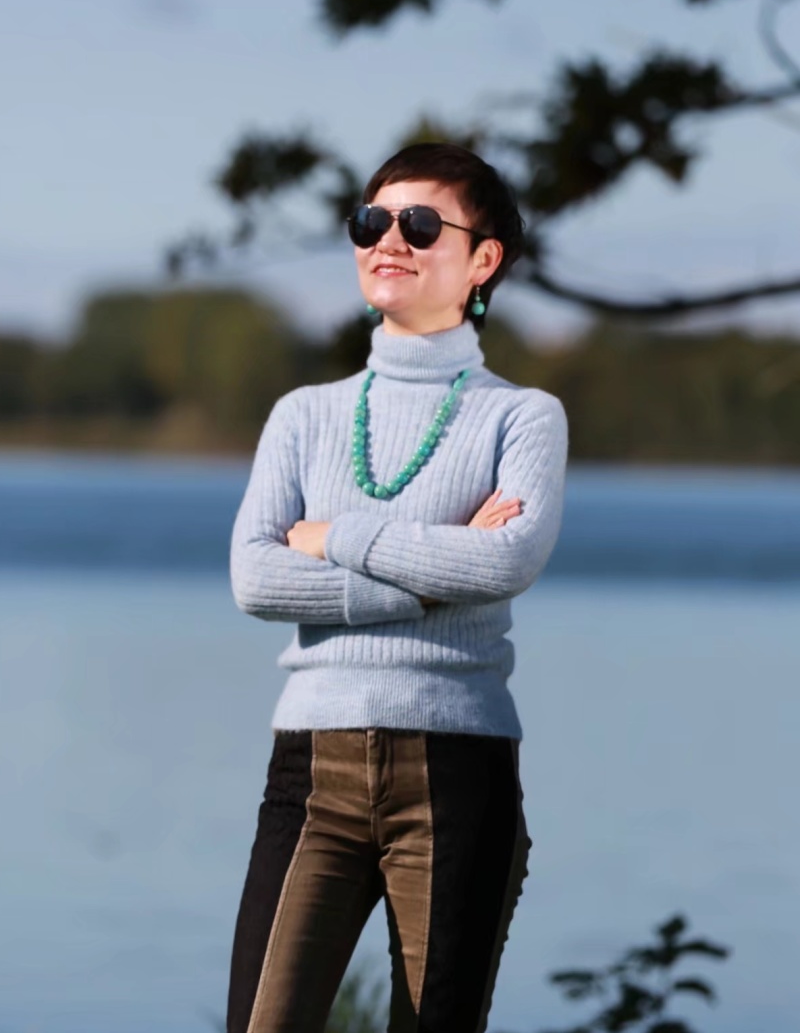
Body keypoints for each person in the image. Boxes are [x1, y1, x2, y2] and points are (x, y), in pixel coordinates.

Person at [225, 142, 569, 1033]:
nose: (388, 240)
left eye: (419, 224)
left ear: (482, 259)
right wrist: (429, 577)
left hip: (456, 770)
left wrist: (333, 536)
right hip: (311, 772)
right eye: (371, 221)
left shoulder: (523, 416)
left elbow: (503, 564)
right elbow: (255, 576)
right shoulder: (304, 415)